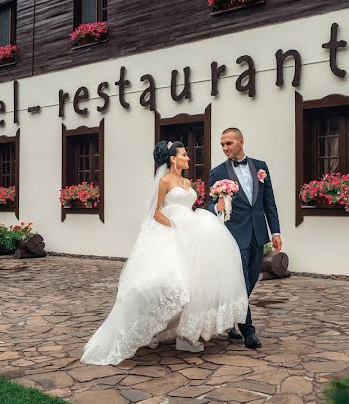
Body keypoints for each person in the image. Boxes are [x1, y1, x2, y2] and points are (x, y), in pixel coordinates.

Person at [81, 141, 248, 365]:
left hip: (191, 235)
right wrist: (175, 227)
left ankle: (186, 335)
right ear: (173, 158)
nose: (188, 158)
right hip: (170, 234)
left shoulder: (187, 181)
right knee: (168, 284)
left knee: (195, 282)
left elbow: (190, 209)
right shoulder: (164, 181)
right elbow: (156, 212)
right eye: (184, 154)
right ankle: (148, 327)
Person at [207, 127, 281, 350]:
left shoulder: (260, 167)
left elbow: (269, 202)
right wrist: (216, 206)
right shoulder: (217, 172)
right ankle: (248, 331)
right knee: (240, 282)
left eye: (229, 143)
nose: (225, 148)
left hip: (258, 233)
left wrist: (275, 232)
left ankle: (232, 316)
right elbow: (207, 204)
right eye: (222, 144)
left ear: (241, 142)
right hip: (234, 235)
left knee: (250, 280)